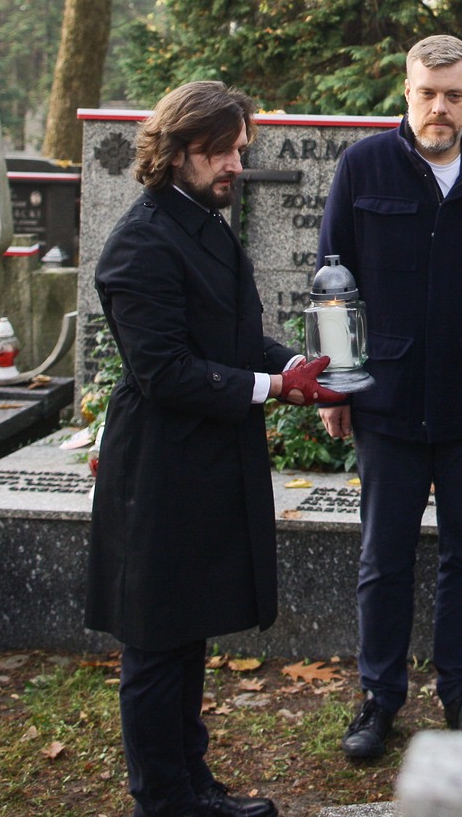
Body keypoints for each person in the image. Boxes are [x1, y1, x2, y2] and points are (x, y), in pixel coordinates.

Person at [87, 81, 343, 817]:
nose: (236, 162)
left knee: (186, 629)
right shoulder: (141, 243)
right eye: (221, 150)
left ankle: (191, 780)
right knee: (158, 641)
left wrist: (296, 369)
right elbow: (163, 370)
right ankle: (162, 799)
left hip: (205, 458)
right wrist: (270, 386)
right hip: (161, 466)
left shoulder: (200, 223)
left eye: (238, 147)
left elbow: (228, 340)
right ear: (175, 151)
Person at [317, 35, 462, 761]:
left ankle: (461, 692)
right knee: (384, 557)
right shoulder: (363, 166)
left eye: (455, 94)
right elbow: (334, 282)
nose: (439, 107)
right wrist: (338, 381)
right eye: (427, 92)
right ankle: (378, 698)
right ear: (406, 91)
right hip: (386, 395)